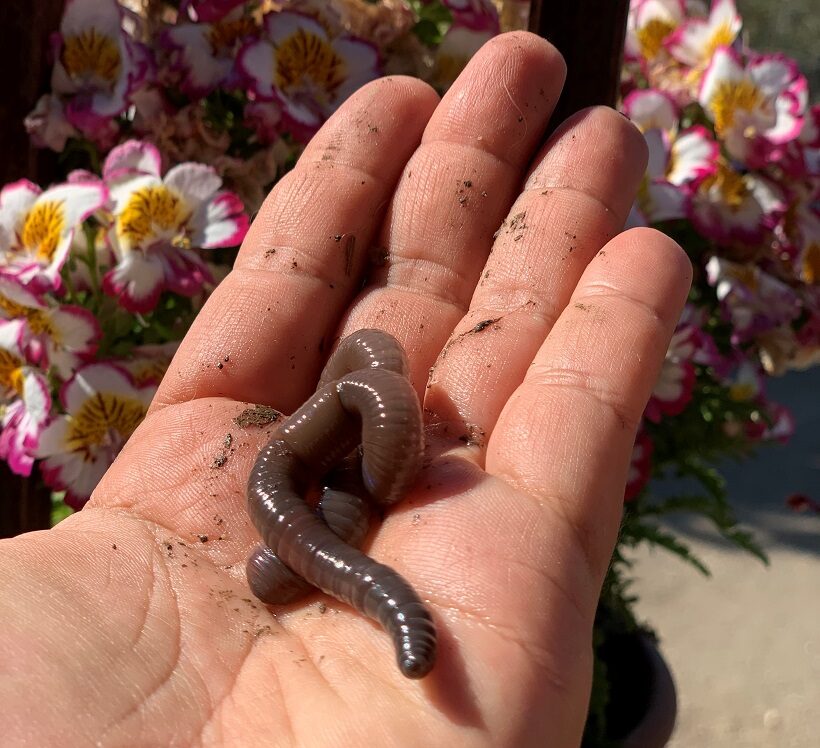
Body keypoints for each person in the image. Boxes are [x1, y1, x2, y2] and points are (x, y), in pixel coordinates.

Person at [0, 32, 691, 746]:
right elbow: (336, 485)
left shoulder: (331, 445)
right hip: (328, 464)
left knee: (326, 490)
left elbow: (355, 457)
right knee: (319, 509)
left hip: (332, 452)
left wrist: (351, 481)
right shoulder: (312, 469)